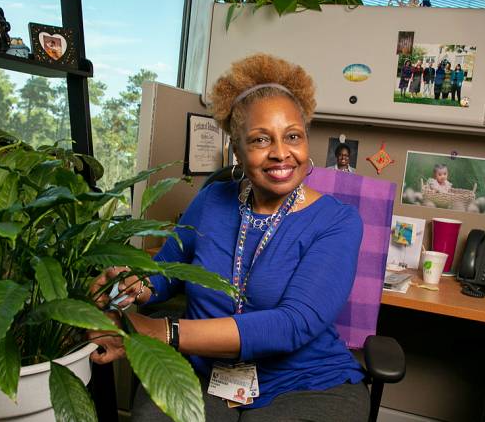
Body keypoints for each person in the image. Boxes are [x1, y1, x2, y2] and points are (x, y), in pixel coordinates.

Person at [88, 54, 368, 421]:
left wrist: (160, 331)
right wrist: (131, 285)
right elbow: (168, 272)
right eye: (260, 140)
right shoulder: (211, 201)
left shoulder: (338, 221)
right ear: (236, 150)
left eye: (293, 136)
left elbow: (291, 325)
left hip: (305, 382)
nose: (281, 153)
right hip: (205, 375)